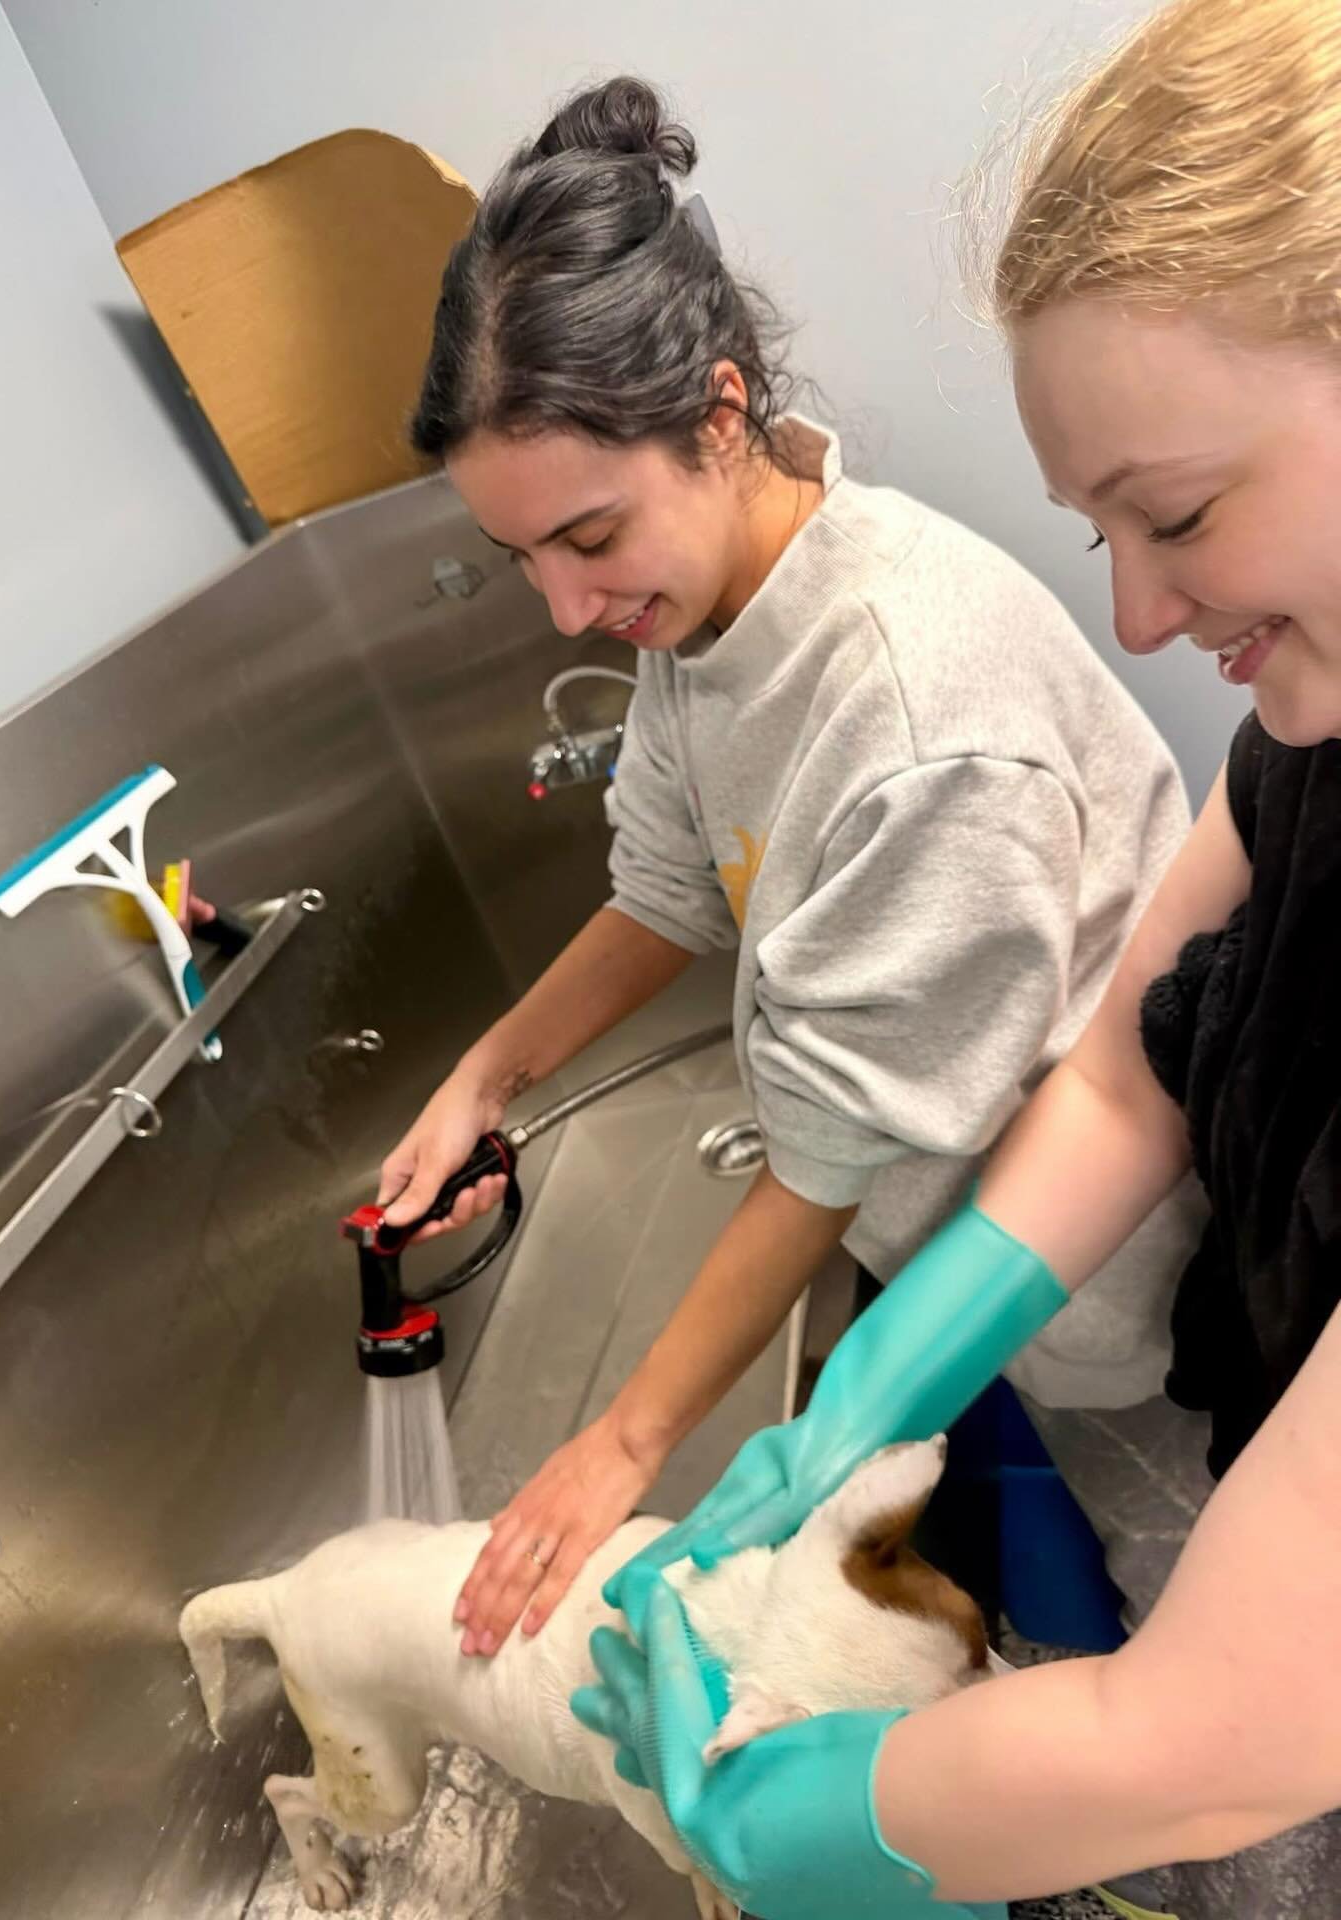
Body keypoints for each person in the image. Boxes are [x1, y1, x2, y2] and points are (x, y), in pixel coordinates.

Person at [573, 4, 1341, 1917]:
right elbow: (1128, 1066)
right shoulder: (1312, 744)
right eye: (1106, 533)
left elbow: (1215, 1736)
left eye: (1173, 517)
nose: (1141, 615)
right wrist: (870, 1398)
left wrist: (771, 1814)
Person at [392, 76, 1195, 1666]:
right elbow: (673, 891)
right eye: (524, 560)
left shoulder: (911, 707)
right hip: (955, 1231)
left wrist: (624, 1449)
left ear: (718, 409)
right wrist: (489, 1069)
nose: (565, 608)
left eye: (592, 537)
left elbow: (824, 1155)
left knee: (1195, 1620)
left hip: (1125, 1284)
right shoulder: (711, 617)